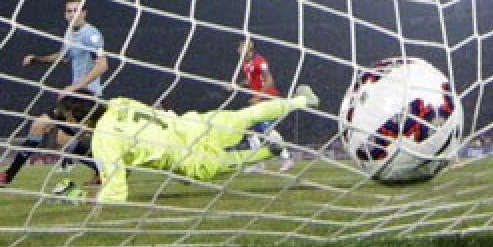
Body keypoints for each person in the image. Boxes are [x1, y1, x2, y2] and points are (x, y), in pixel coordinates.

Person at [82, 85, 319, 203]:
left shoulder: (102, 140)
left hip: (186, 157)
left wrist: (84, 197)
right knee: (244, 116)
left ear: (79, 119)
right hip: (192, 125)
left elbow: (116, 191)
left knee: (229, 162)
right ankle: (301, 100)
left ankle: (269, 151)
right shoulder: (118, 102)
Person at [0, 0, 108, 189]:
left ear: (84, 13)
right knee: (64, 140)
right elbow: (63, 57)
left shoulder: (91, 35)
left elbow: (103, 65)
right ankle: (104, 170)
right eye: (69, 11)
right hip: (75, 97)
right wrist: (38, 59)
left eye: (76, 10)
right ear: (65, 14)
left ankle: (8, 176)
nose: (72, 14)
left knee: (39, 125)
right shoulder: (70, 33)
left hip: (86, 97)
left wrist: (77, 86)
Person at [236, 39, 293, 172]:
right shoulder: (246, 64)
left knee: (267, 130)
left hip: (269, 99)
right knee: (249, 130)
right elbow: (250, 79)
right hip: (259, 102)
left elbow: (269, 81)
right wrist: (236, 85)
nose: (237, 50)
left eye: (240, 47)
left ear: (248, 48)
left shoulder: (259, 61)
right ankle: (259, 163)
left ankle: (287, 159)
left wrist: (258, 96)